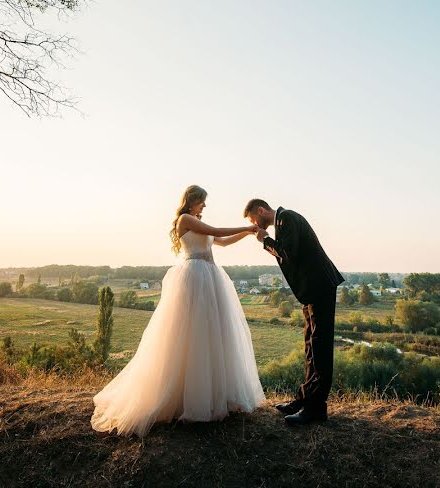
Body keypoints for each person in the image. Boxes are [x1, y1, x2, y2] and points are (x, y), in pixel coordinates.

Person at [91, 185, 266, 437]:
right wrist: (247, 227)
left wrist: (248, 234)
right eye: (202, 202)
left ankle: (215, 395)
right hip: (195, 277)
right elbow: (216, 231)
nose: (205, 206)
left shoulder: (196, 221)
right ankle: (182, 398)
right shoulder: (185, 219)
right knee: (188, 334)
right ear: (193, 200)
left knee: (212, 333)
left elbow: (222, 242)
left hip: (210, 277)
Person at [245, 199, 344, 426]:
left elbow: (287, 254)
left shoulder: (287, 218)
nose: (256, 224)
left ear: (261, 211)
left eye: (253, 220)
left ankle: (316, 409)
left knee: (320, 348)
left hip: (320, 286)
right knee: (311, 345)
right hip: (311, 290)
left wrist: (265, 240)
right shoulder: (282, 222)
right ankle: (303, 400)